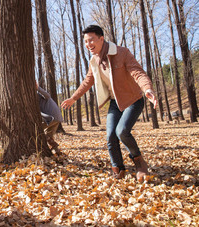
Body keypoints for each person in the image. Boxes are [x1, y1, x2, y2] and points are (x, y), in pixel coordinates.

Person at [61, 25, 157, 182]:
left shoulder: (122, 52)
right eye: (85, 41)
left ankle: (139, 162)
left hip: (133, 99)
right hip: (115, 103)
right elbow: (87, 81)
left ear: (101, 38)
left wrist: (147, 89)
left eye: (91, 40)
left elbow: (137, 72)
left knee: (122, 131)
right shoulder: (94, 61)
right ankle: (118, 169)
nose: (88, 44)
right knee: (111, 136)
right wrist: (73, 98)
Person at [37, 83, 63, 155]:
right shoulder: (39, 98)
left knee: (37, 131)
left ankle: (42, 150)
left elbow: (47, 95)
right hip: (57, 118)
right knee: (49, 136)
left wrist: (38, 88)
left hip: (51, 117)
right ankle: (56, 150)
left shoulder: (39, 95)